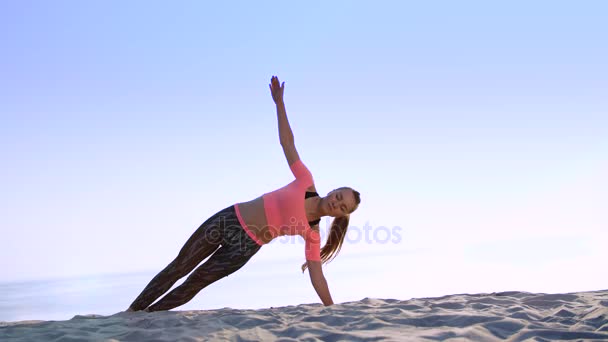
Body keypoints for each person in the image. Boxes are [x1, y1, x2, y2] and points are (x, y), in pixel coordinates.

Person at [126, 76, 361, 312]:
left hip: (244, 247)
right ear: (333, 191)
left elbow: (317, 276)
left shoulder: (312, 234)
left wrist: (332, 309)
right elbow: (287, 143)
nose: (336, 203)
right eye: (339, 196)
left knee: (194, 283)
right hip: (229, 219)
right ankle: (131, 313)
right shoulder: (305, 181)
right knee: (179, 266)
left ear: (340, 215)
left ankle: (149, 316)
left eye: (342, 207)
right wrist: (280, 105)